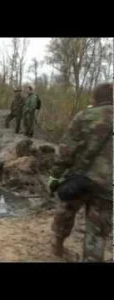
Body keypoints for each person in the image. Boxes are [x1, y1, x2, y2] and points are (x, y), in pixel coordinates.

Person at [48, 83, 113, 262]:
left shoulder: (84, 116)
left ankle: (57, 247)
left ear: (95, 98)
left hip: (80, 179)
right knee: (97, 231)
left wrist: (55, 175)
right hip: (108, 186)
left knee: (66, 211)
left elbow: (66, 150)